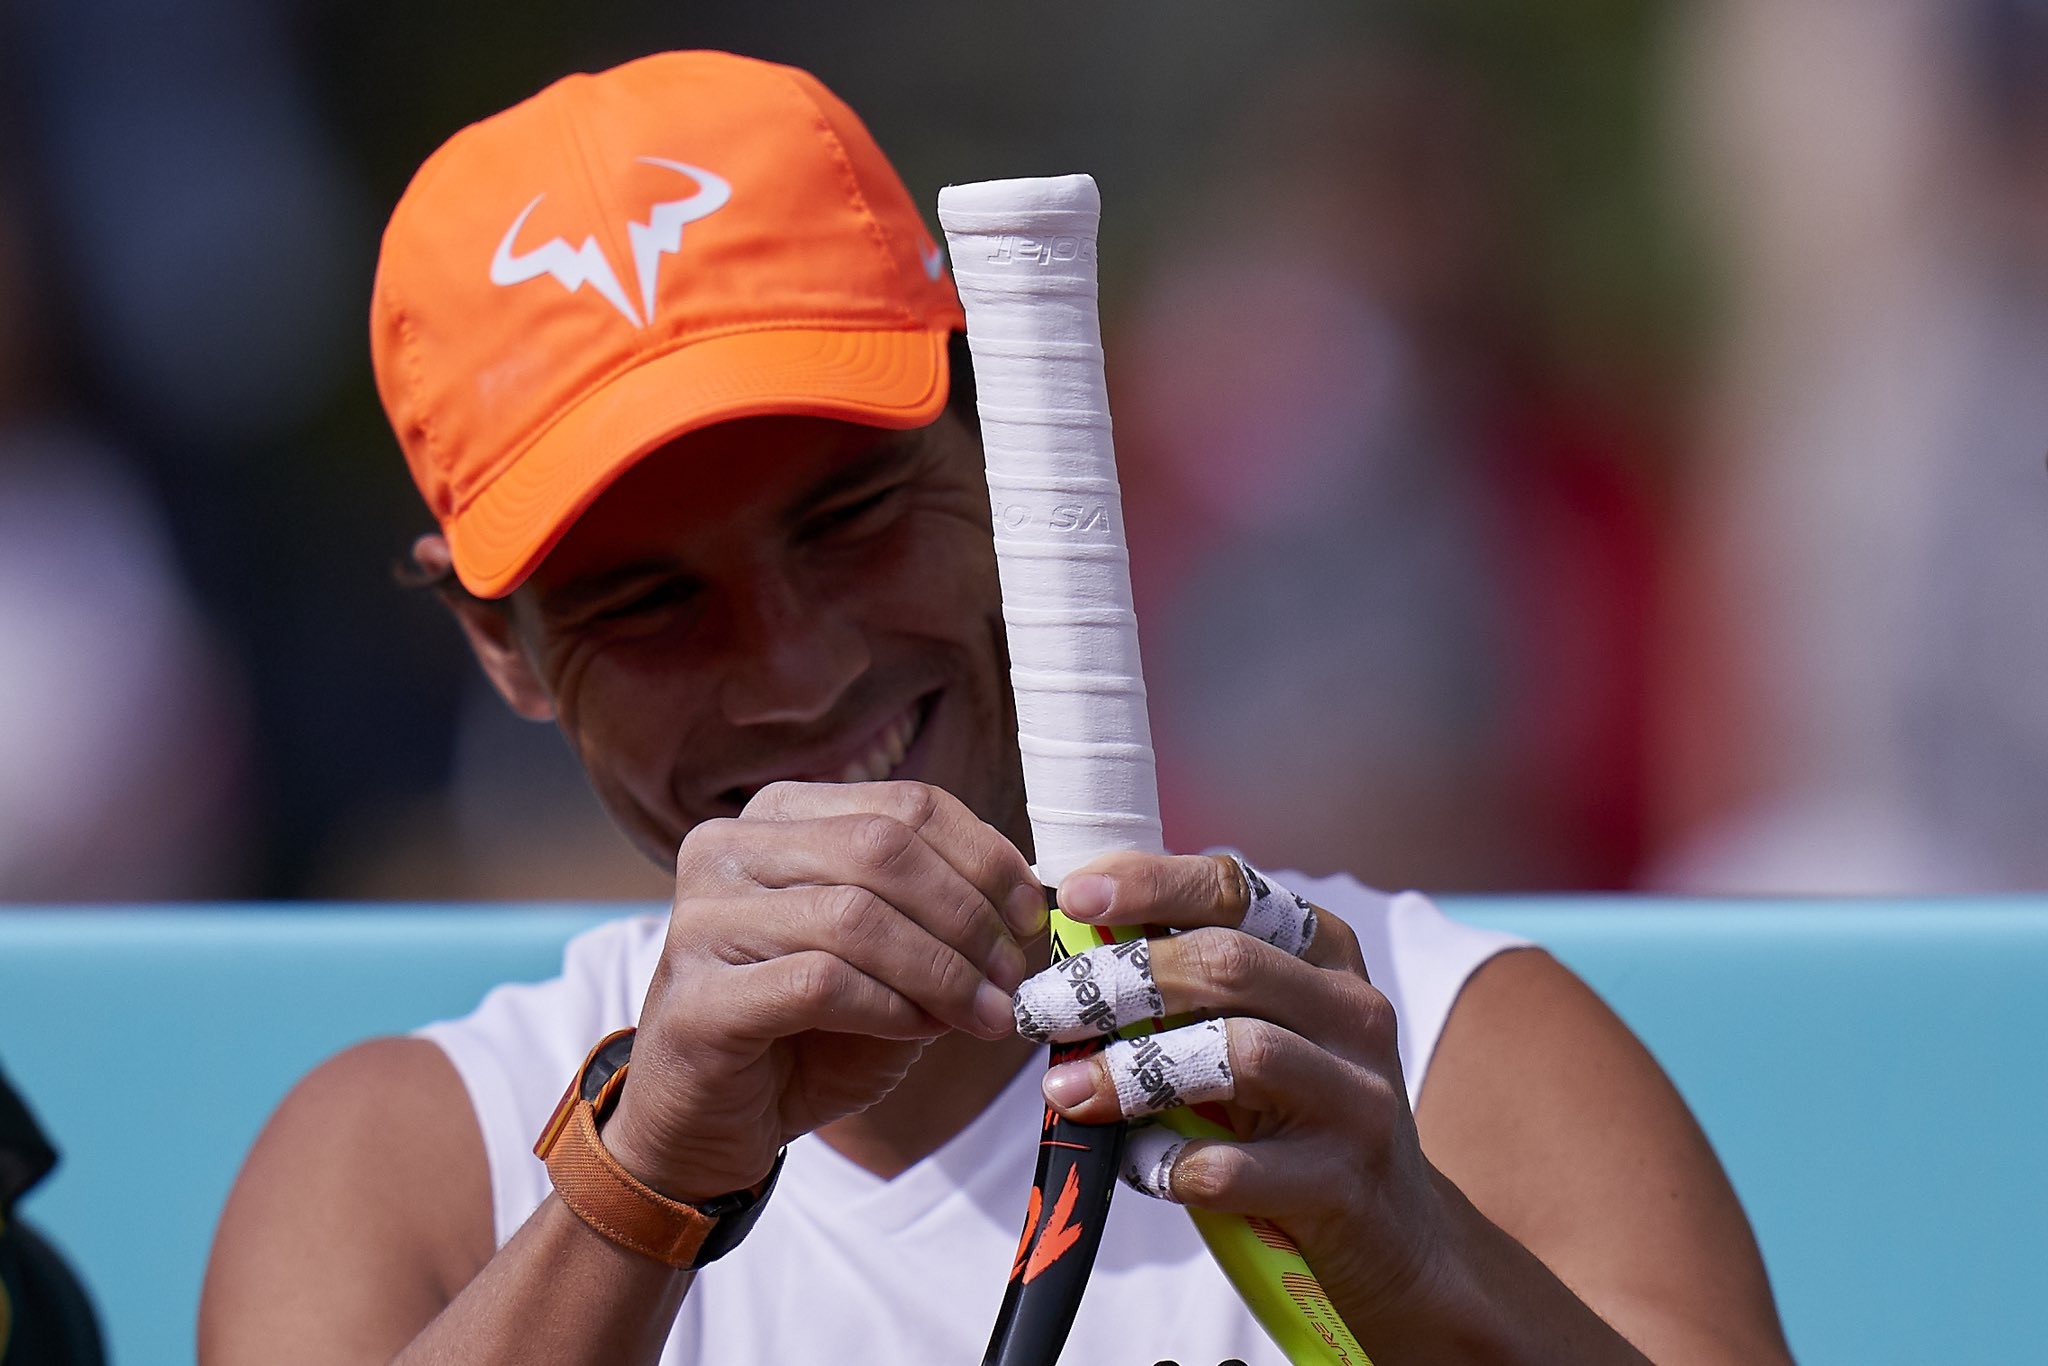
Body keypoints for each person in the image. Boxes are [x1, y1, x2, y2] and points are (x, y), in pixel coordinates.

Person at [201, 50, 1790, 1365]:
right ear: (502, 648)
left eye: (852, 518)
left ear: (1006, 449)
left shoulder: (1450, 1059)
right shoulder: (406, 1164)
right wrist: (643, 1182)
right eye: (648, 603)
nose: (800, 669)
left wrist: (1413, 1265)